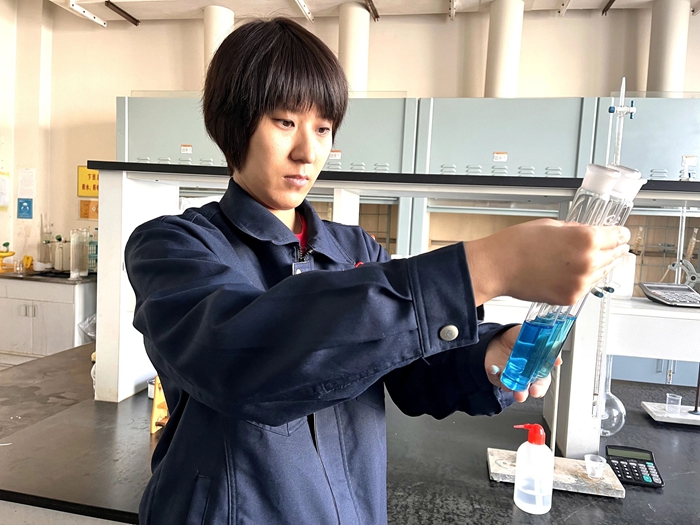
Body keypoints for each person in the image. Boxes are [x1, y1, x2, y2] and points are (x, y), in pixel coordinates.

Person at [125, 17, 630, 525]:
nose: (307, 152)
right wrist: (487, 266)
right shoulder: (171, 247)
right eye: (284, 122)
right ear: (234, 123)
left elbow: (413, 373)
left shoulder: (354, 249)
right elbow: (241, 358)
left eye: (323, 128)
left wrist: (487, 355)